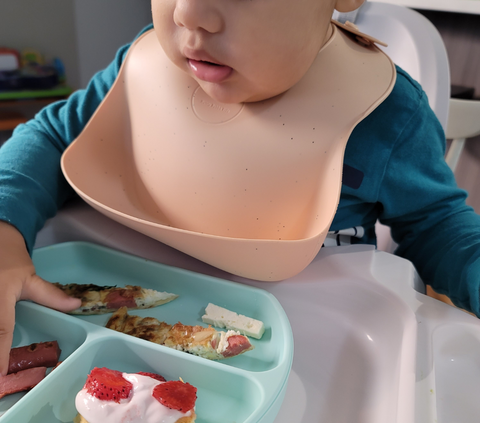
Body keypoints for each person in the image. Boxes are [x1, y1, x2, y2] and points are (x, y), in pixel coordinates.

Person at [1, 0, 480, 377]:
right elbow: (50, 137)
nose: (189, 13)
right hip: (127, 324)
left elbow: (438, 226)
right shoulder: (141, 67)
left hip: (303, 354)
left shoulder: (387, 120)